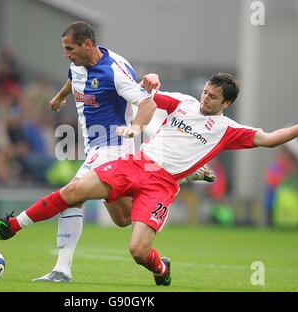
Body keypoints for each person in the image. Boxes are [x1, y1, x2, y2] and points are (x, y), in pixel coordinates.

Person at [0, 72, 298, 286]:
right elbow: (143, 97)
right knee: (74, 190)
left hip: (162, 185)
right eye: (206, 91)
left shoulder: (228, 130)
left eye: (212, 97)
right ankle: (11, 226)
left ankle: (160, 267)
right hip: (136, 163)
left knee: (137, 250)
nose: (205, 98)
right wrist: (149, 80)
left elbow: (268, 138)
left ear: (226, 102)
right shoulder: (182, 103)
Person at [28, 21, 213, 283]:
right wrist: (61, 96)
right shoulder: (78, 63)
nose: (66, 54)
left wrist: (137, 125)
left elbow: (140, 97)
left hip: (118, 145)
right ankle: (182, 177)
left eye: (69, 48)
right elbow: (75, 78)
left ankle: (62, 269)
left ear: (87, 44)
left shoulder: (116, 67)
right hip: (100, 146)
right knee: (123, 218)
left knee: (73, 196)